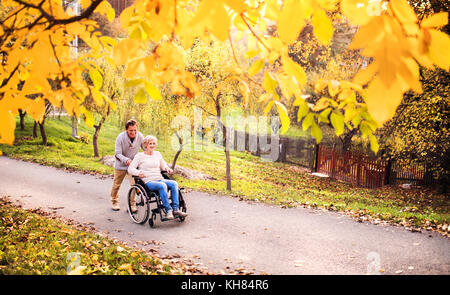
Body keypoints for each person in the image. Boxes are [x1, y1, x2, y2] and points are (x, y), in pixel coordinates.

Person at [128, 135, 188, 220]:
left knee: (174, 183)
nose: (152, 145)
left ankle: (175, 209)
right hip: (148, 181)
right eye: (150, 144)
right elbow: (130, 168)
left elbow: (163, 165)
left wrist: (167, 169)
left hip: (159, 178)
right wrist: (138, 172)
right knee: (162, 185)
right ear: (145, 145)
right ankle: (168, 211)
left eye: (153, 143)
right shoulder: (139, 156)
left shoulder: (157, 154)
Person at [110, 119, 145, 211]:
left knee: (134, 184)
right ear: (126, 130)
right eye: (131, 130)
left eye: (135, 130)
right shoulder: (120, 137)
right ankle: (114, 201)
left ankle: (131, 205)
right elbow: (117, 153)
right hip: (120, 165)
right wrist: (126, 160)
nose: (133, 132)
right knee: (117, 184)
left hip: (132, 166)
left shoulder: (140, 136)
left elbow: (145, 148)